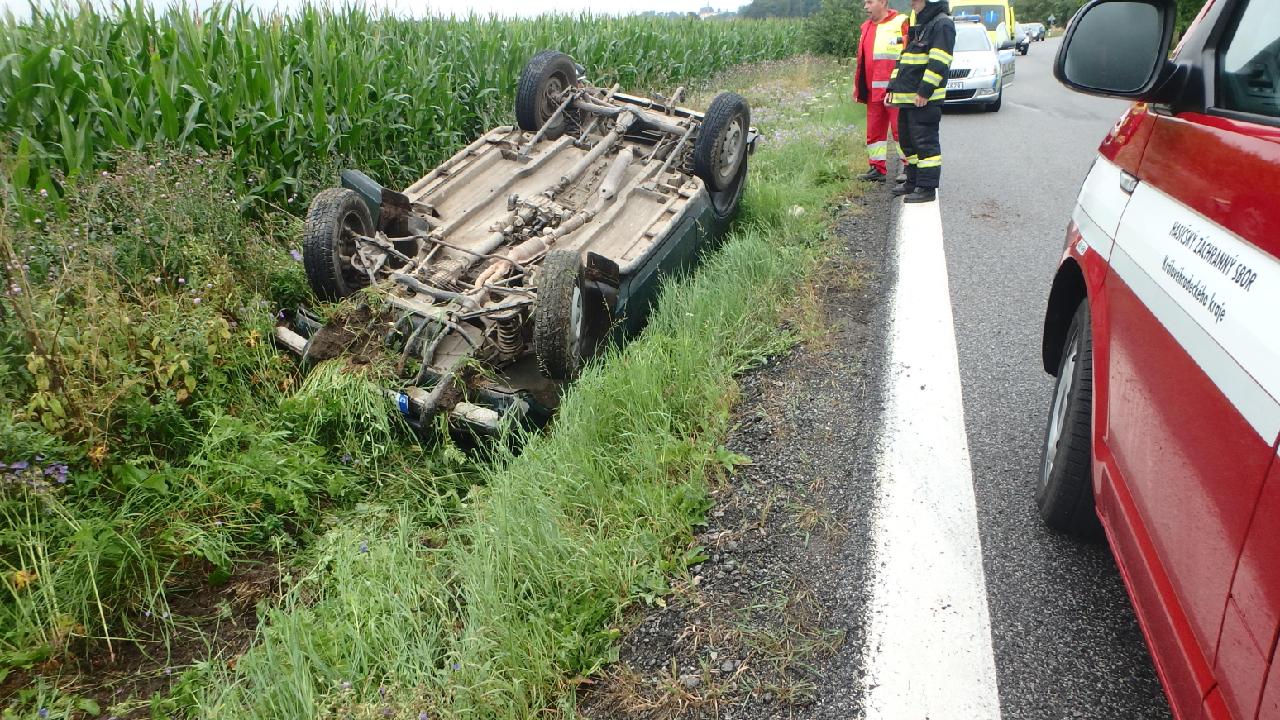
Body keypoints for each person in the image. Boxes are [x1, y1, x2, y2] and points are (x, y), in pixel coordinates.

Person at [885, 0, 956, 203]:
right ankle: (912, 181)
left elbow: (939, 62)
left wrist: (925, 91)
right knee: (908, 143)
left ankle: (926, 188)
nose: (911, 3)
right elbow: (904, 59)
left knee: (925, 145)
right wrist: (892, 88)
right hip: (908, 99)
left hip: (924, 100)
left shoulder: (942, 24)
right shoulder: (922, 24)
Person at [853, 0, 910, 182]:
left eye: (870, 2)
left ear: (883, 2)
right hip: (873, 90)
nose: (866, 7)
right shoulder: (866, 27)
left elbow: (911, 54)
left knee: (900, 129)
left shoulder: (900, 22)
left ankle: (909, 167)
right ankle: (877, 168)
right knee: (874, 131)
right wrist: (859, 87)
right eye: (865, 3)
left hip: (896, 90)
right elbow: (863, 61)